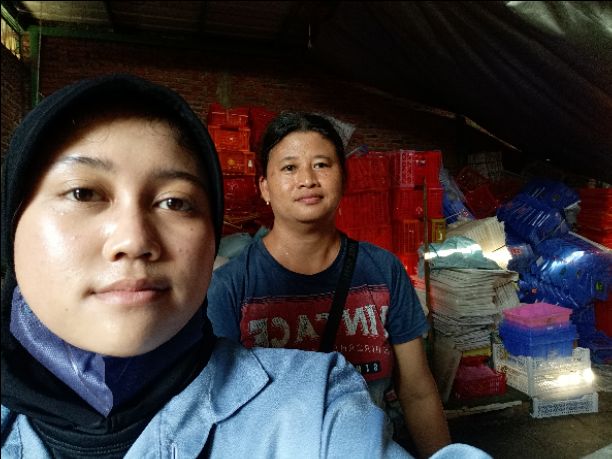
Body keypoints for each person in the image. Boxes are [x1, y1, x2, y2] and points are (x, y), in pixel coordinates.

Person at [0, 74, 415, 458]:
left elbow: (415, 390)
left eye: (174, 202)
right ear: (11, 221)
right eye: (83, 193)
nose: (134, 240)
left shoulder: (315, 409)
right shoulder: (235, 281)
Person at [207, 112, 452, 458]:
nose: (307, 180)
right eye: (289, 168)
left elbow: (417, 391)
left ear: (343, 177)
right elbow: (220, 407)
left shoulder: (383, 271)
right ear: (264, 187)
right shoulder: (231, 286)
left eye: (321, 165)